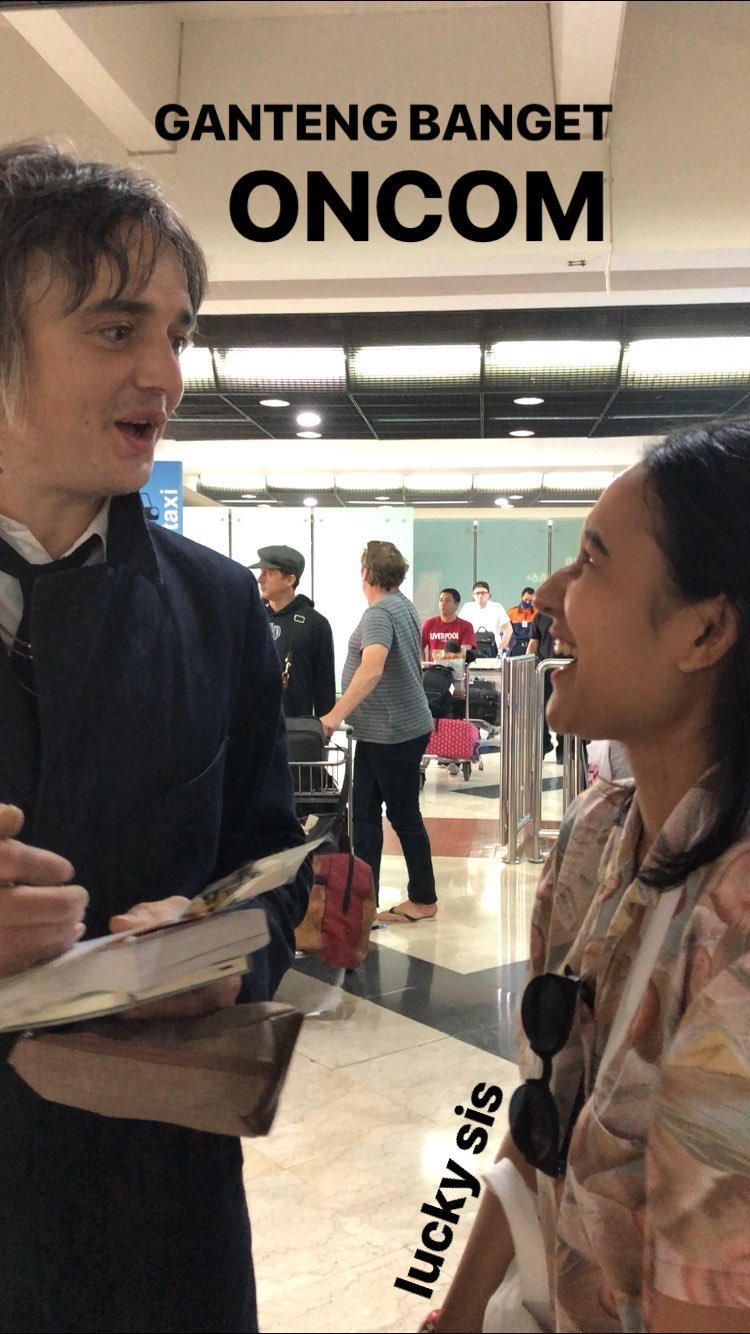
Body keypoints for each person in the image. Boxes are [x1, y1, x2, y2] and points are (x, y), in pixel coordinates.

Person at [0, 141, 310, 1334]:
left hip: (153, 1217)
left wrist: (222, 947)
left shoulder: (218, 607)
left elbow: (271, 866)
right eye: (115, 328)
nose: (165, 373)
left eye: (176, 333)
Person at [426, 421, 750, 1334]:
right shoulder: (595, 833)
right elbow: (540, 1119)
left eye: (594, 560)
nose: (551, 592)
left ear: (706, 629)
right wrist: (454, 1312)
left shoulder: (735, 934)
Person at [319, 541, 437, 923]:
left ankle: (423, 899)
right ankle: (364, 899)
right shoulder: (401, 605)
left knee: (403, 816)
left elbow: (372, 669)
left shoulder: (380, 614)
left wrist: (333, 716)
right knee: (364, 816)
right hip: (383, 731)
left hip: (393, 732)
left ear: (366, 573)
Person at [250, 543, 335, 718]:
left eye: (269, 573)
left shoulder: (315, 624)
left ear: (290, 580)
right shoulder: (251, 616)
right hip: (252, 724)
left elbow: (324, 686)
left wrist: (323, 726)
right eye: (261, 572)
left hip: (295, 726)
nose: (260, 579)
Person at [421, 587, 476, 661]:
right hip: (433, 667)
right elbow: (419, 647)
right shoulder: (429, 623)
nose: (443, 604)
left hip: (456, 666)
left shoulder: (466, 626)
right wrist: (423, 664)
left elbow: (464, 651)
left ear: (456, 605)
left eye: (447, 601)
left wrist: (442, 657)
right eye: (441, 600)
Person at [459, 580, 512, 655]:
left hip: (493, 650)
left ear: (489, 594)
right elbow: (459, 629)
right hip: (471, 649)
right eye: (477, 593)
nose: (480, 595)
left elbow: (508, 629)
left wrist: (501, 649)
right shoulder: (467, 607)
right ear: (473, 595)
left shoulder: (497, 607)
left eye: (483, 593)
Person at [506, 585, 536, 656]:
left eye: (530, 601)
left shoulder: (537, 613)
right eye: (526, 599)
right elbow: (507, 632)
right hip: (515, 647)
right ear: (521, 597)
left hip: (531, 647)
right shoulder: (511, 612)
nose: (528, 602)